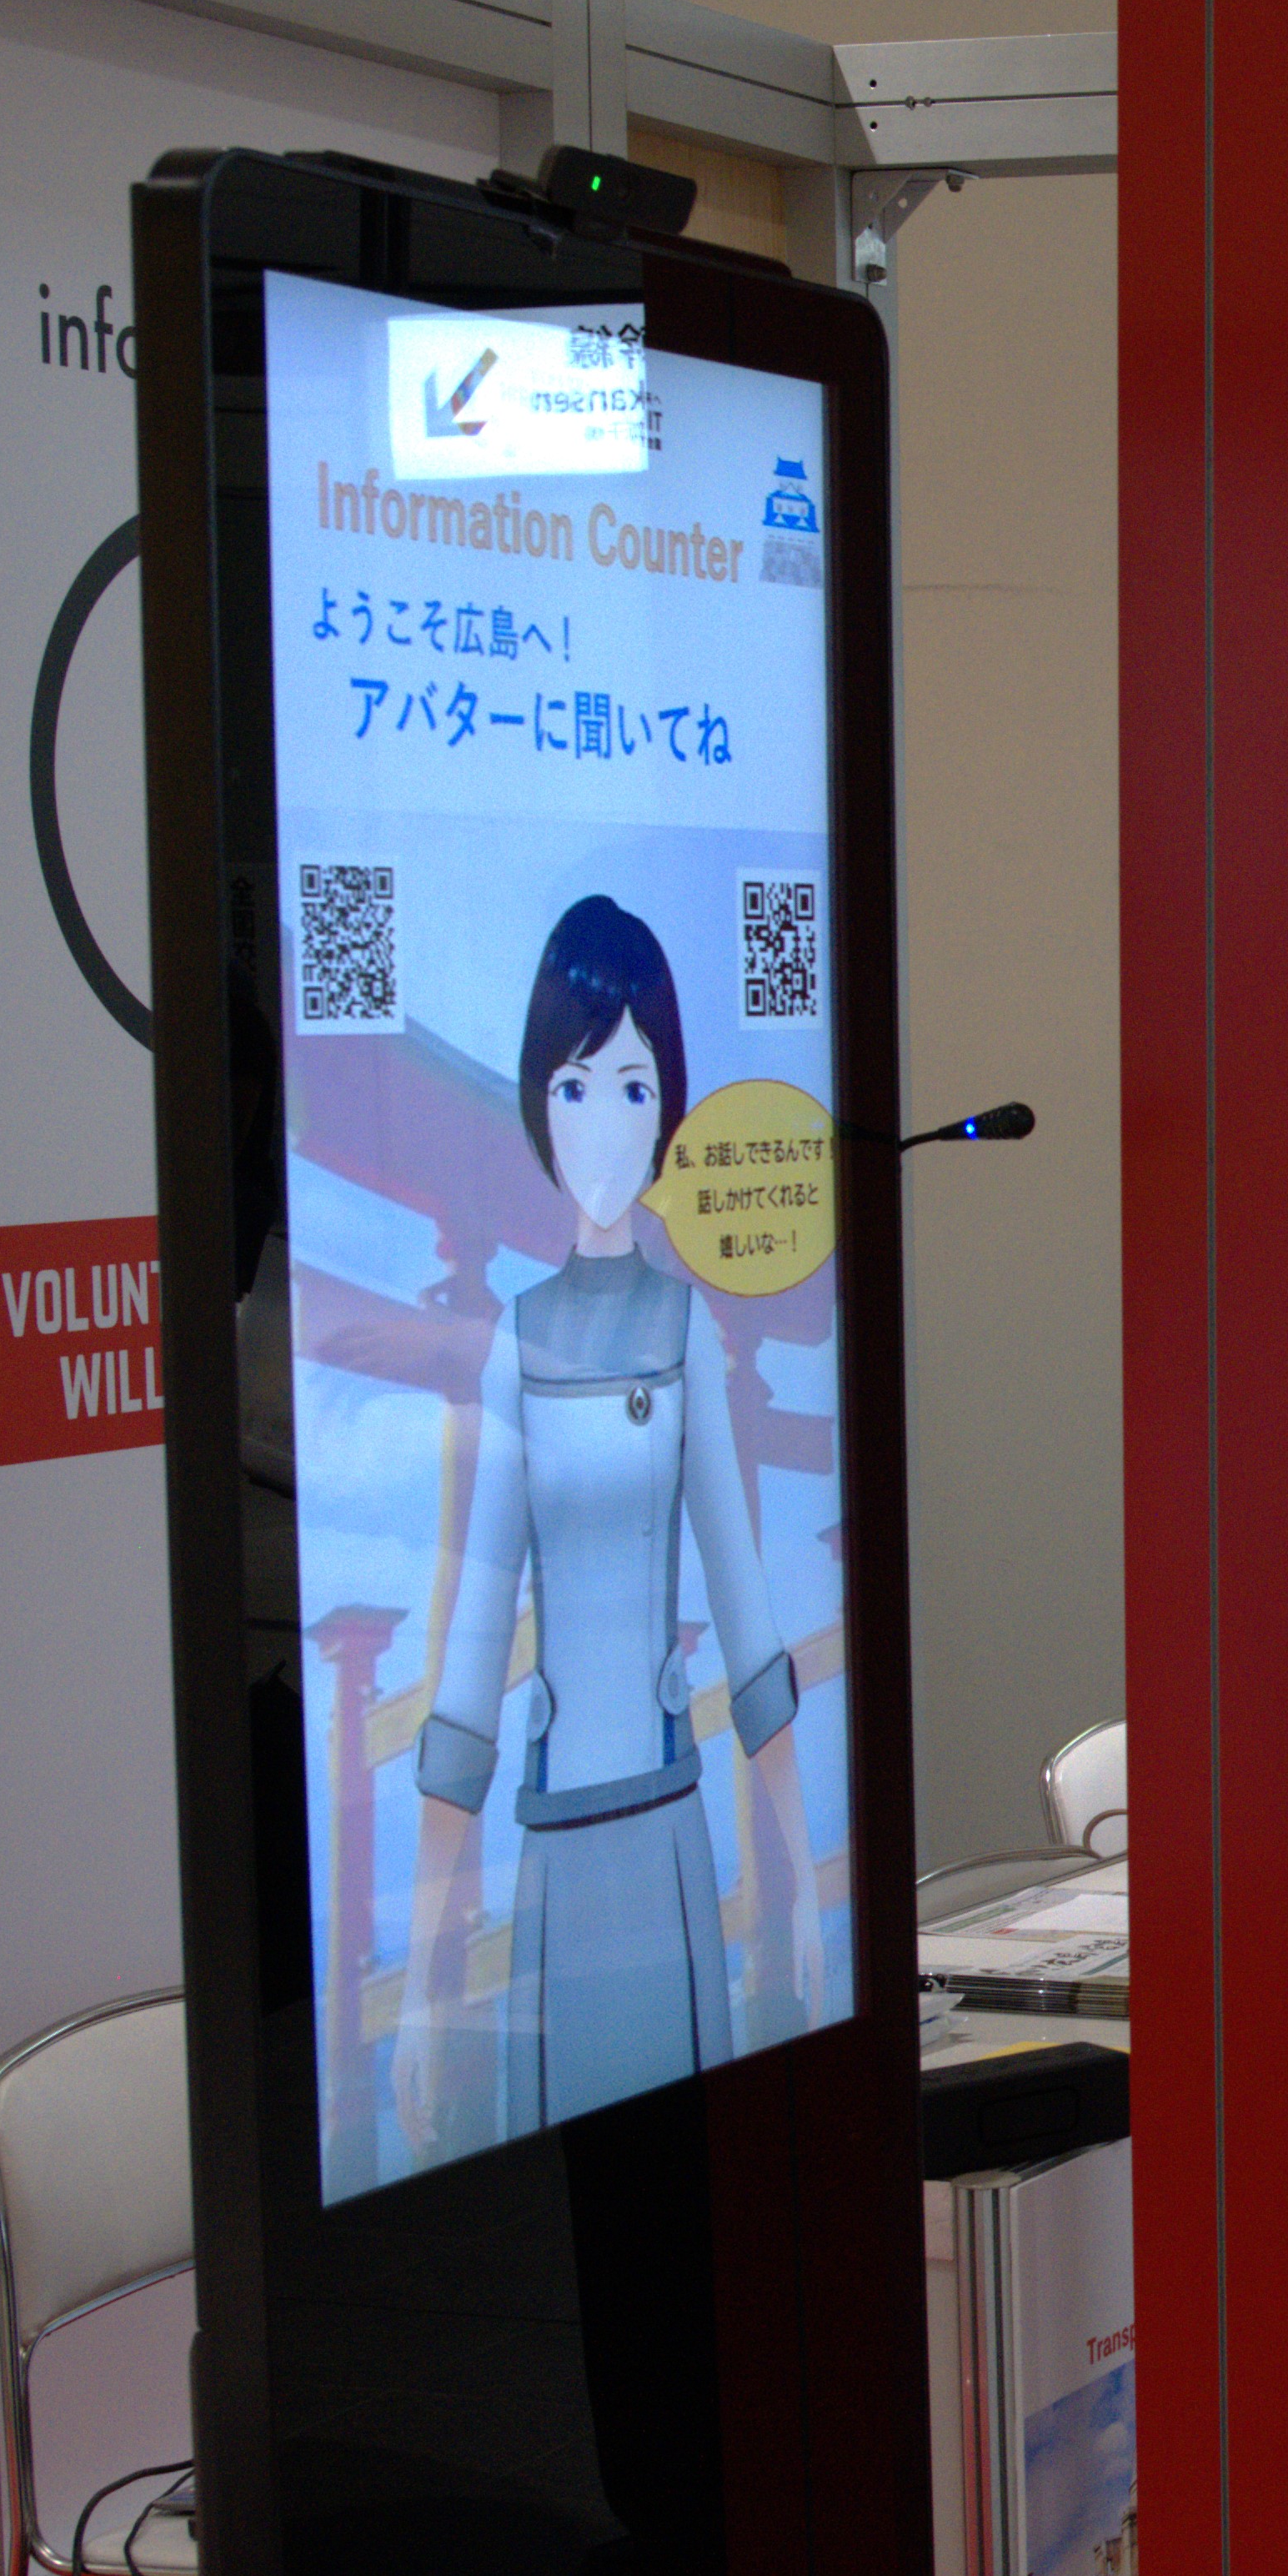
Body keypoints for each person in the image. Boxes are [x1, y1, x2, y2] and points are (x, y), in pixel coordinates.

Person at [408, 896, 821, 2177]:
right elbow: (474, 1654)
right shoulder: (513, 1344)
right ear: (540, 1101)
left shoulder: (685, 1327)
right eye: (578, 1084)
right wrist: (426, 1971)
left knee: (688, 2195)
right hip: (555, 1852)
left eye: (633, 1086)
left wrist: (799, 1890)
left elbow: (746, 1606)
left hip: (665, 1831)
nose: (605, 1121)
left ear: (671, 1109)